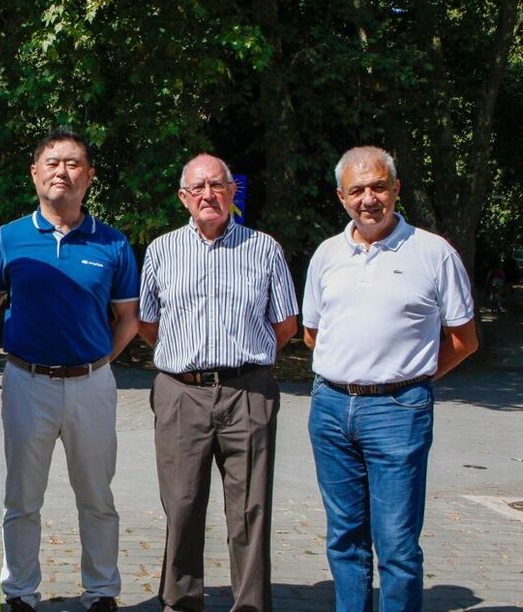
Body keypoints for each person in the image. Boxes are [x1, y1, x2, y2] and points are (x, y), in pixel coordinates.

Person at [302, 146, 478, 612]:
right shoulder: (326, 254)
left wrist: (409, 379)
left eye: (378, 186)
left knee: (397, 544)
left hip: (399, 412)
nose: (369, 198)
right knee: (344, 538)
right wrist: (355, 372)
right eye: (357, 190)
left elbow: (464, 338)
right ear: (341, 197)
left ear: (396, 188)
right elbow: (312, 333)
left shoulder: (433, 252)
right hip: (331, 409)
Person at [137, 153, 298, 612]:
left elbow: (285, 324)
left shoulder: (263, 248)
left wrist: (243, 358)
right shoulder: (161, 250)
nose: (209, 195)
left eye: (218, 185)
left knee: (250, 510)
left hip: (247, 389)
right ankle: (181, 600)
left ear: (232, 192)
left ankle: (250, 605)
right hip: (180, 391)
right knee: (182, 503)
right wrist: (185, 360)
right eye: (199, 188)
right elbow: (149, 323)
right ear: (184, 198)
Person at [0, 129, 140, 612]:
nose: (63, 171)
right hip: (24, 381)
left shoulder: (113, 243)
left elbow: (129, 319)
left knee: (97, 496)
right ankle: (19, 592)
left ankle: (101, 591)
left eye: (74, 163)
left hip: (91, 386)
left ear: (90, 176)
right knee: (21, 499)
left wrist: (99, 363)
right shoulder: (7, 238)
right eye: (52, 162)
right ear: (35, 173)